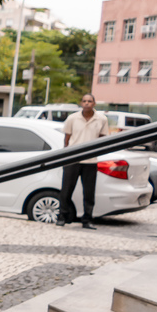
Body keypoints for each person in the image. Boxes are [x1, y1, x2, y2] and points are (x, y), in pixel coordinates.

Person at [58, 93, 109, 229]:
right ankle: (62, 216)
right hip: (73, 159)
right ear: (81, 103)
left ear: (94, 103)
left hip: (91, 161)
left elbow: (103, 138)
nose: (87, 103)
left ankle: (87, 219)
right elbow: (67, 138)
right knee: (66, 190)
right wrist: (67, 154)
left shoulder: (101, 119)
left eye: (90, 101)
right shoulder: (73, 118)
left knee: (89, 192)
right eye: (84, 101)